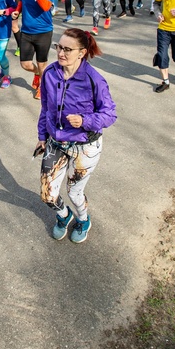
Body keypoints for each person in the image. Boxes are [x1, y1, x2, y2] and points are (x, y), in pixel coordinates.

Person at [35, 28, 117, 244]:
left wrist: (85, 121)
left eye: (67, 49)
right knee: (48, 195)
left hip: (85, 146)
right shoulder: (50, 74)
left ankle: (83, 220)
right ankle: (64, 216)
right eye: (59, 47)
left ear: (81, 52)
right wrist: (42, 135)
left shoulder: (94, 80)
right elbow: (46, 108)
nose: (61, 53)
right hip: (56, 142)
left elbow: (110, 114)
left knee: (74, 193)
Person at [12, 0, 55, 100]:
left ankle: (43, 87)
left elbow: (46, 7)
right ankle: (37, 73)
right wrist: (17, 11)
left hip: (43, 32)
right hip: (27, 31)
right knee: (25, 64)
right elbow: (22, 1)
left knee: (42, 64)